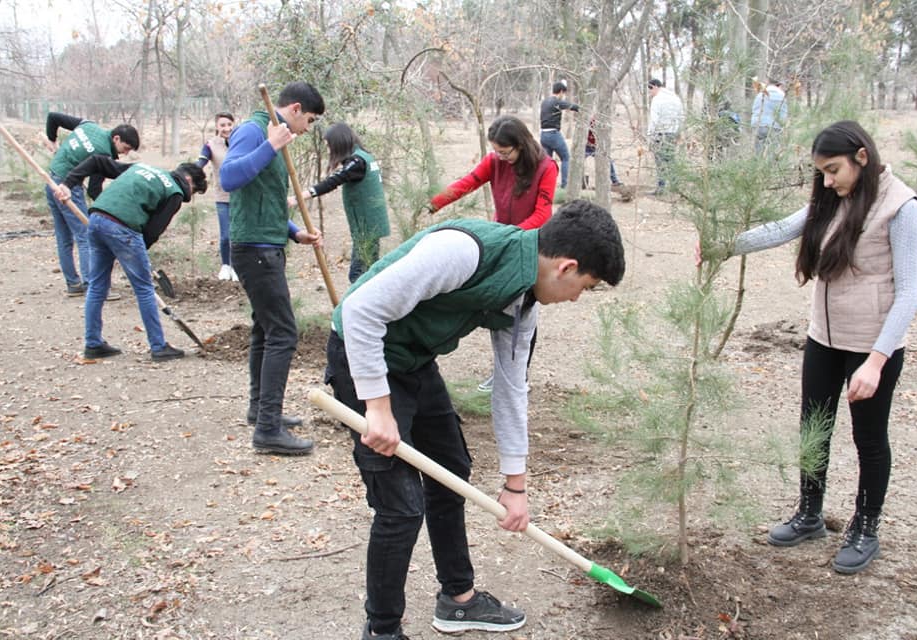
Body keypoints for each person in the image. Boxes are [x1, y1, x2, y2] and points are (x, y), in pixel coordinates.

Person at [324, 199, 626, 640]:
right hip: (362, 354)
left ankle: (458, 599)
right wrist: (379, 408)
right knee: (401, 506)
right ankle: (382, 630)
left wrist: (515, 484)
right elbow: (360, 310)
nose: (578, 297)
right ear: (567, 267)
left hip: (414, 360)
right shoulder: (464, 251)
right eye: (586, 286)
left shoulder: (523, 304)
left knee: (451, 471)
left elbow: (511, 388)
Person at [708, 121, 917, 575]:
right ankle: (810, 514)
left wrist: (876, 361)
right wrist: (724, 247)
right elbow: (782, 229)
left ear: (862, 157)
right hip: (824, 338)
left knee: (870, 439)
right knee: (814, 427)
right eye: (822, 173)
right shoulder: (832, 198)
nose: (827, 181)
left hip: (873, 346)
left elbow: (909, 294)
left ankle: (865, 528)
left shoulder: (902, 208)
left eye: (833, 170)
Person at [220, 81, 325, 456]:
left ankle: (260, 411)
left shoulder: (270, 133)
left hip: (266, 244)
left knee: (266, 330)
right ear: (295, 109)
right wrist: (270, 146)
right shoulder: (253, 131)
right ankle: (267, 429)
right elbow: (228, 179)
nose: (307, 129)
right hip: (256, 251)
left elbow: (262, 197)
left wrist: (294, 232)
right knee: (283, 333)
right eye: (309, 120)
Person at [429, 115, 558, 391]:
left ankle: (519, 374)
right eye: (496, 151)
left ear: (520, 145)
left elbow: (542, 214)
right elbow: (468, 182)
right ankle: (502, 371)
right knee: (500, 308)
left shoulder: (546, 168)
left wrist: (512, 237)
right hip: (502, 242)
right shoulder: (495, 162)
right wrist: (434, 202)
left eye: (505, 152)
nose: (500, 157)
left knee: (523, 311)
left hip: (529, 246)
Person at [55, 157, 208, 362]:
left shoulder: (141, 167)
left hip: (96, 219)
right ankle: (158, 346)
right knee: (144, 289)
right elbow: (153, 231)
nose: (191, 195)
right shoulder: (175, 192)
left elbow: (98, 161)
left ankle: (93, 343)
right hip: (123, 228)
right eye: (194, 190)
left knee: (97, 286)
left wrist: (68, 183)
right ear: (189, 180)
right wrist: (136, 254)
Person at [43, 112, 140, 296]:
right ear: (116, 138)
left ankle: (73, 284)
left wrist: (52, 140)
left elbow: (53, 117)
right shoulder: (102, 153)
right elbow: (94, 190)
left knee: (64, 238)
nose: (125, 153)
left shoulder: (88, 125)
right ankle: (93, 286)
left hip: (51, 182)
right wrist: (111, 209)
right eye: (125, 148)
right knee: (86, 236)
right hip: (68, 189)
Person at [295, 122, 390, 283]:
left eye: (329, 146)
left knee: (359, 276)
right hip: (369, 227)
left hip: (367, 228)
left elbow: (334, 181)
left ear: (338, 143)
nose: (328, 150)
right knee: (368, 273)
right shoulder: (363, 157)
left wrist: (300, 197)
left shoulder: (357, 161)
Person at [196, 112, 239, 281]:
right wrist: (192, 171)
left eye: (229, 124)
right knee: (226, 235)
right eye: (222, 125)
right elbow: (201, 161)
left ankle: (236, 266)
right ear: (217, 127)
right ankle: (225, 265)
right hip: (222, 196)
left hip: (241, 196)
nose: (226, 128)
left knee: (238, 234)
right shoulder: (211, 145)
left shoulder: (241, 141)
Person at [645, 78, 684, 195]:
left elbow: (654, 119)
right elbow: (681, 117)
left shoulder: (657, 100)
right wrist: (679, 132)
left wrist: (650, 135)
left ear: (655, 87)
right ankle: (675, 186)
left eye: (650, 89)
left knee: (660, 161)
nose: (650, 93)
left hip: (660, 134)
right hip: (672, 133)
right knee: (671, 159)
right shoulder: (675, 98)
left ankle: (661, 188)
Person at [538, 80, 580, 189]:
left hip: (543, 135)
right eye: (564, 93)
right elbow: (573, 107)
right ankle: (565, 185)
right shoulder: (557, 102)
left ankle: (545, 184)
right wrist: (583, 109)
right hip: (553, 134)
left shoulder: (545, 102)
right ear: (561, 91)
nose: (564, 96)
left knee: (547, 162)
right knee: (566, 158)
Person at [584, 117, 631, 201]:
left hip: (598, 146)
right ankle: (579, 181)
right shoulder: (591, 122)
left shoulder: (605, 123)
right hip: (587, 146)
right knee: (579, 162)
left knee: (609, 161)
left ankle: (615, 181)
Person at [751, 79, 788, 155]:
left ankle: (758, 160)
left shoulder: (760, 94)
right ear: (779, 86)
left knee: (758, 151)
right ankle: (770, 162)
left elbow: (754, 110)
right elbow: (783, 115)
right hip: (774, 126)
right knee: (772, 150)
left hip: (758, 125)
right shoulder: (782, 96)